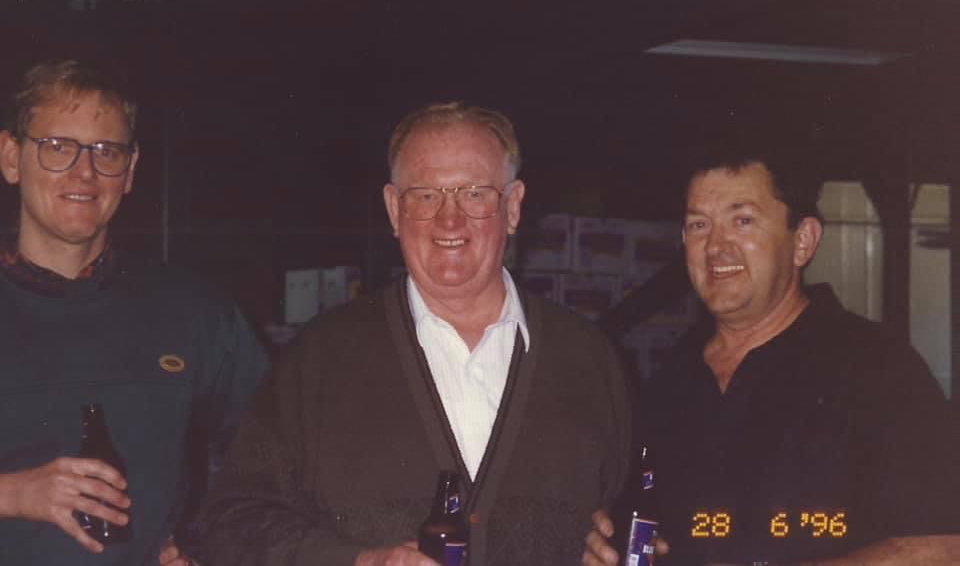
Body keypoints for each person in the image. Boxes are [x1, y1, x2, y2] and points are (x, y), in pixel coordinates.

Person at [189, 102, 632, 565]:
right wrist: (356, 562)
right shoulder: (319, 360)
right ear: (393, 209)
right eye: (425, 195)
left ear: (513, 206)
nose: (449, 220)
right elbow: (230, 524)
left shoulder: (589, 359)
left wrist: (621, 545)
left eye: (474, 193)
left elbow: (635, 512)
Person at [583, 137, 960, 565]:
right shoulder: (668, 382)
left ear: (803, 241)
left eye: (742, 221)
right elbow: (646, 519)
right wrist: (607, 538)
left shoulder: (879, 371)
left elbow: (946, 546)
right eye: (698, 225)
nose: (716, 247)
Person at [0, 59, 268, 565]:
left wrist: (204, 541)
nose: (85, 172)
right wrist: (15, 493)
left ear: (131, 172)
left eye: (107, 151)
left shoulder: (192, 313)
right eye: (58, 147)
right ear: (12, 158)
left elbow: (275, 459)